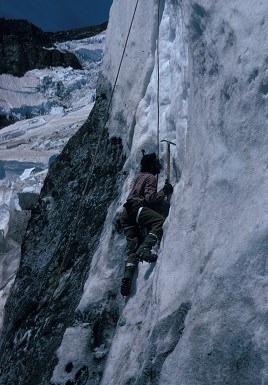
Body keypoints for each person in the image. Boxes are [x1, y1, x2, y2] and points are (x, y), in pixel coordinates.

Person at [120, 152, 173, 296]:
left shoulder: (138, 177)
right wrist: (164, 191)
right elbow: (150, 198)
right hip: (137, 209)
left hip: (126, 214)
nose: (158, 166)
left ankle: (127, 278)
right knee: (159, 221)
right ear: (151, 165)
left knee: (132, 249)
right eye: (156, 163)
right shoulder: (150, 178)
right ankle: (144, 250)